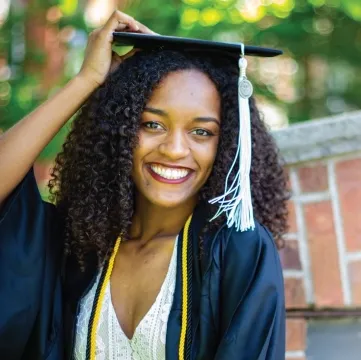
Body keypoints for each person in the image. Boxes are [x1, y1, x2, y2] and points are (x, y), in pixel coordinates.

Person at [0, 10, 288, 360]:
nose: (174, 149)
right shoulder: (78, 244)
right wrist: (87, 80)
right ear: (119, 129)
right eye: (152, 125)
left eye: (202, 132)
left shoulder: (235, 251)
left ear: (227, 143)